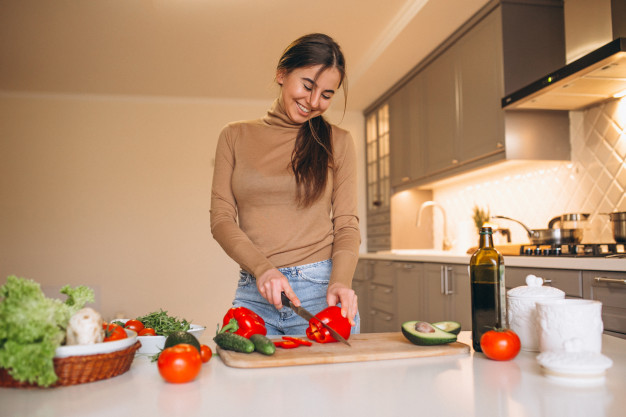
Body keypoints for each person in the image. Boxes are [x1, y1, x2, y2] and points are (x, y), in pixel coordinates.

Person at [210, 33, 361, 335]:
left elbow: (347, 226)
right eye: (307, 86)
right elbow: (221, 220)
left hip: (322, 295)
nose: (314, 102)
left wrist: (341, 282)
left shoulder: (338, 142)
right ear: (281, 74)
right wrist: (263, 269)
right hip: (256, 292)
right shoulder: (234, 136)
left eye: (327, 94)